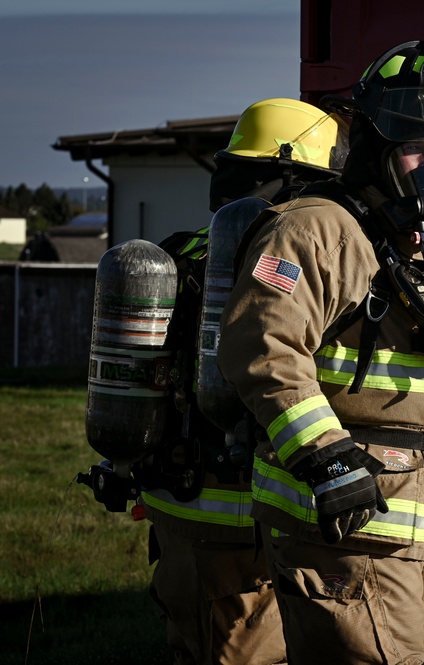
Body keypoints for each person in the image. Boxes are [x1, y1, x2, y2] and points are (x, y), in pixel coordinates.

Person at [217, 40, 424, 664]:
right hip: (347, 536)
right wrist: (328, 459)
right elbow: (264, 346)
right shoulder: (316, 230)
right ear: (376, 149)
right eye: (417, 147)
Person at [80, 97, 346, 665]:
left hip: (183, 502)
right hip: (243, 514)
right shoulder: (284, 263)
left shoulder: (182, 251)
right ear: (294, 177)